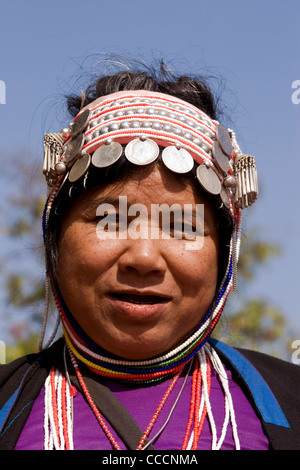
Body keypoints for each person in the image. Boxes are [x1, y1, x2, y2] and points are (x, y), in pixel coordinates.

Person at [0, 64, 299, 450]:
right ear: (55, 238)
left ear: (224, 254)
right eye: (110, 220)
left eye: (183, 227)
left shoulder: (287, 402)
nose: (143, 257)